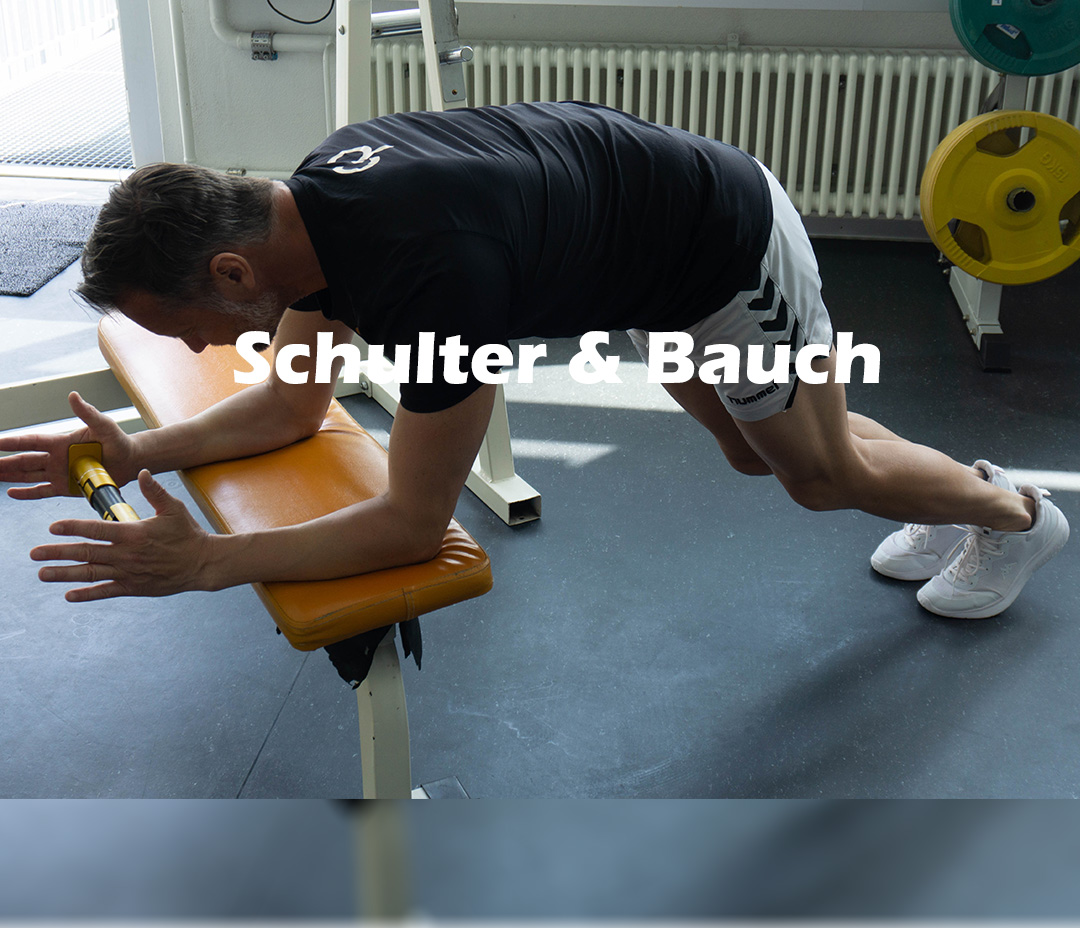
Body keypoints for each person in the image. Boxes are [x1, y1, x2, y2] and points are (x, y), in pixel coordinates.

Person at [0, 101, 1069, 617]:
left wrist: (210, 562)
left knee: (818, 477)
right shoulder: (308, 214)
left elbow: (412, 524)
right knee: (764, 448)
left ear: (232, 271)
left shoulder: (431, 280)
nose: (197, 347)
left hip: (723, 248)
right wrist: (139, 453)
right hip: (649, 256)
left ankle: (1017, 518)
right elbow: (287, 408)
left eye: (186, 323)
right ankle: (942, 489)